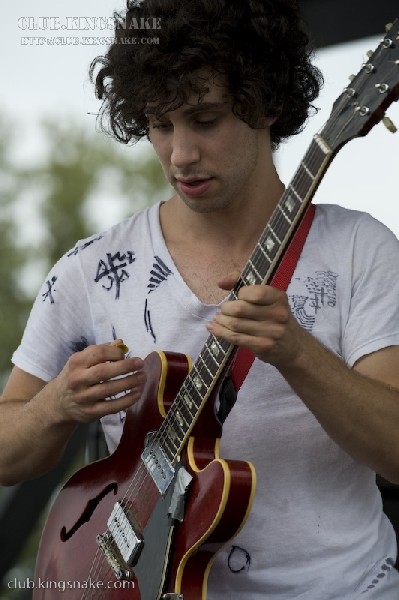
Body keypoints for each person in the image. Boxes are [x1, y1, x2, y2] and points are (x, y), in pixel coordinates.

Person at [1, 0, 399, 598]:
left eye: (204, 120)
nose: (179, 155)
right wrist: (53, 406)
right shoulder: (89, 271)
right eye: (161, 126)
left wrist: (297, 353)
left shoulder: (360, 249)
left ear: (269, 103)